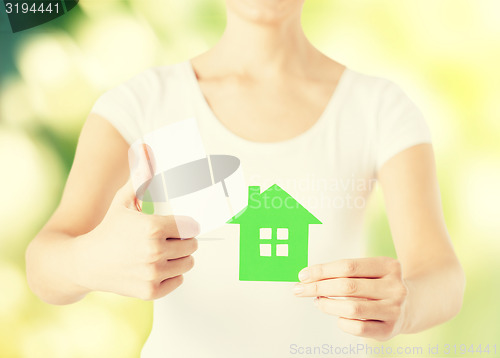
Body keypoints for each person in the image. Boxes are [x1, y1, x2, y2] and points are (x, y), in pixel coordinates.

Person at [25, 0, 465, 357]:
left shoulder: (380, 108)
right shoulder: (141, 103)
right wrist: (90, 261)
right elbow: (43, 267)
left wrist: (405, 306)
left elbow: (442, 275)